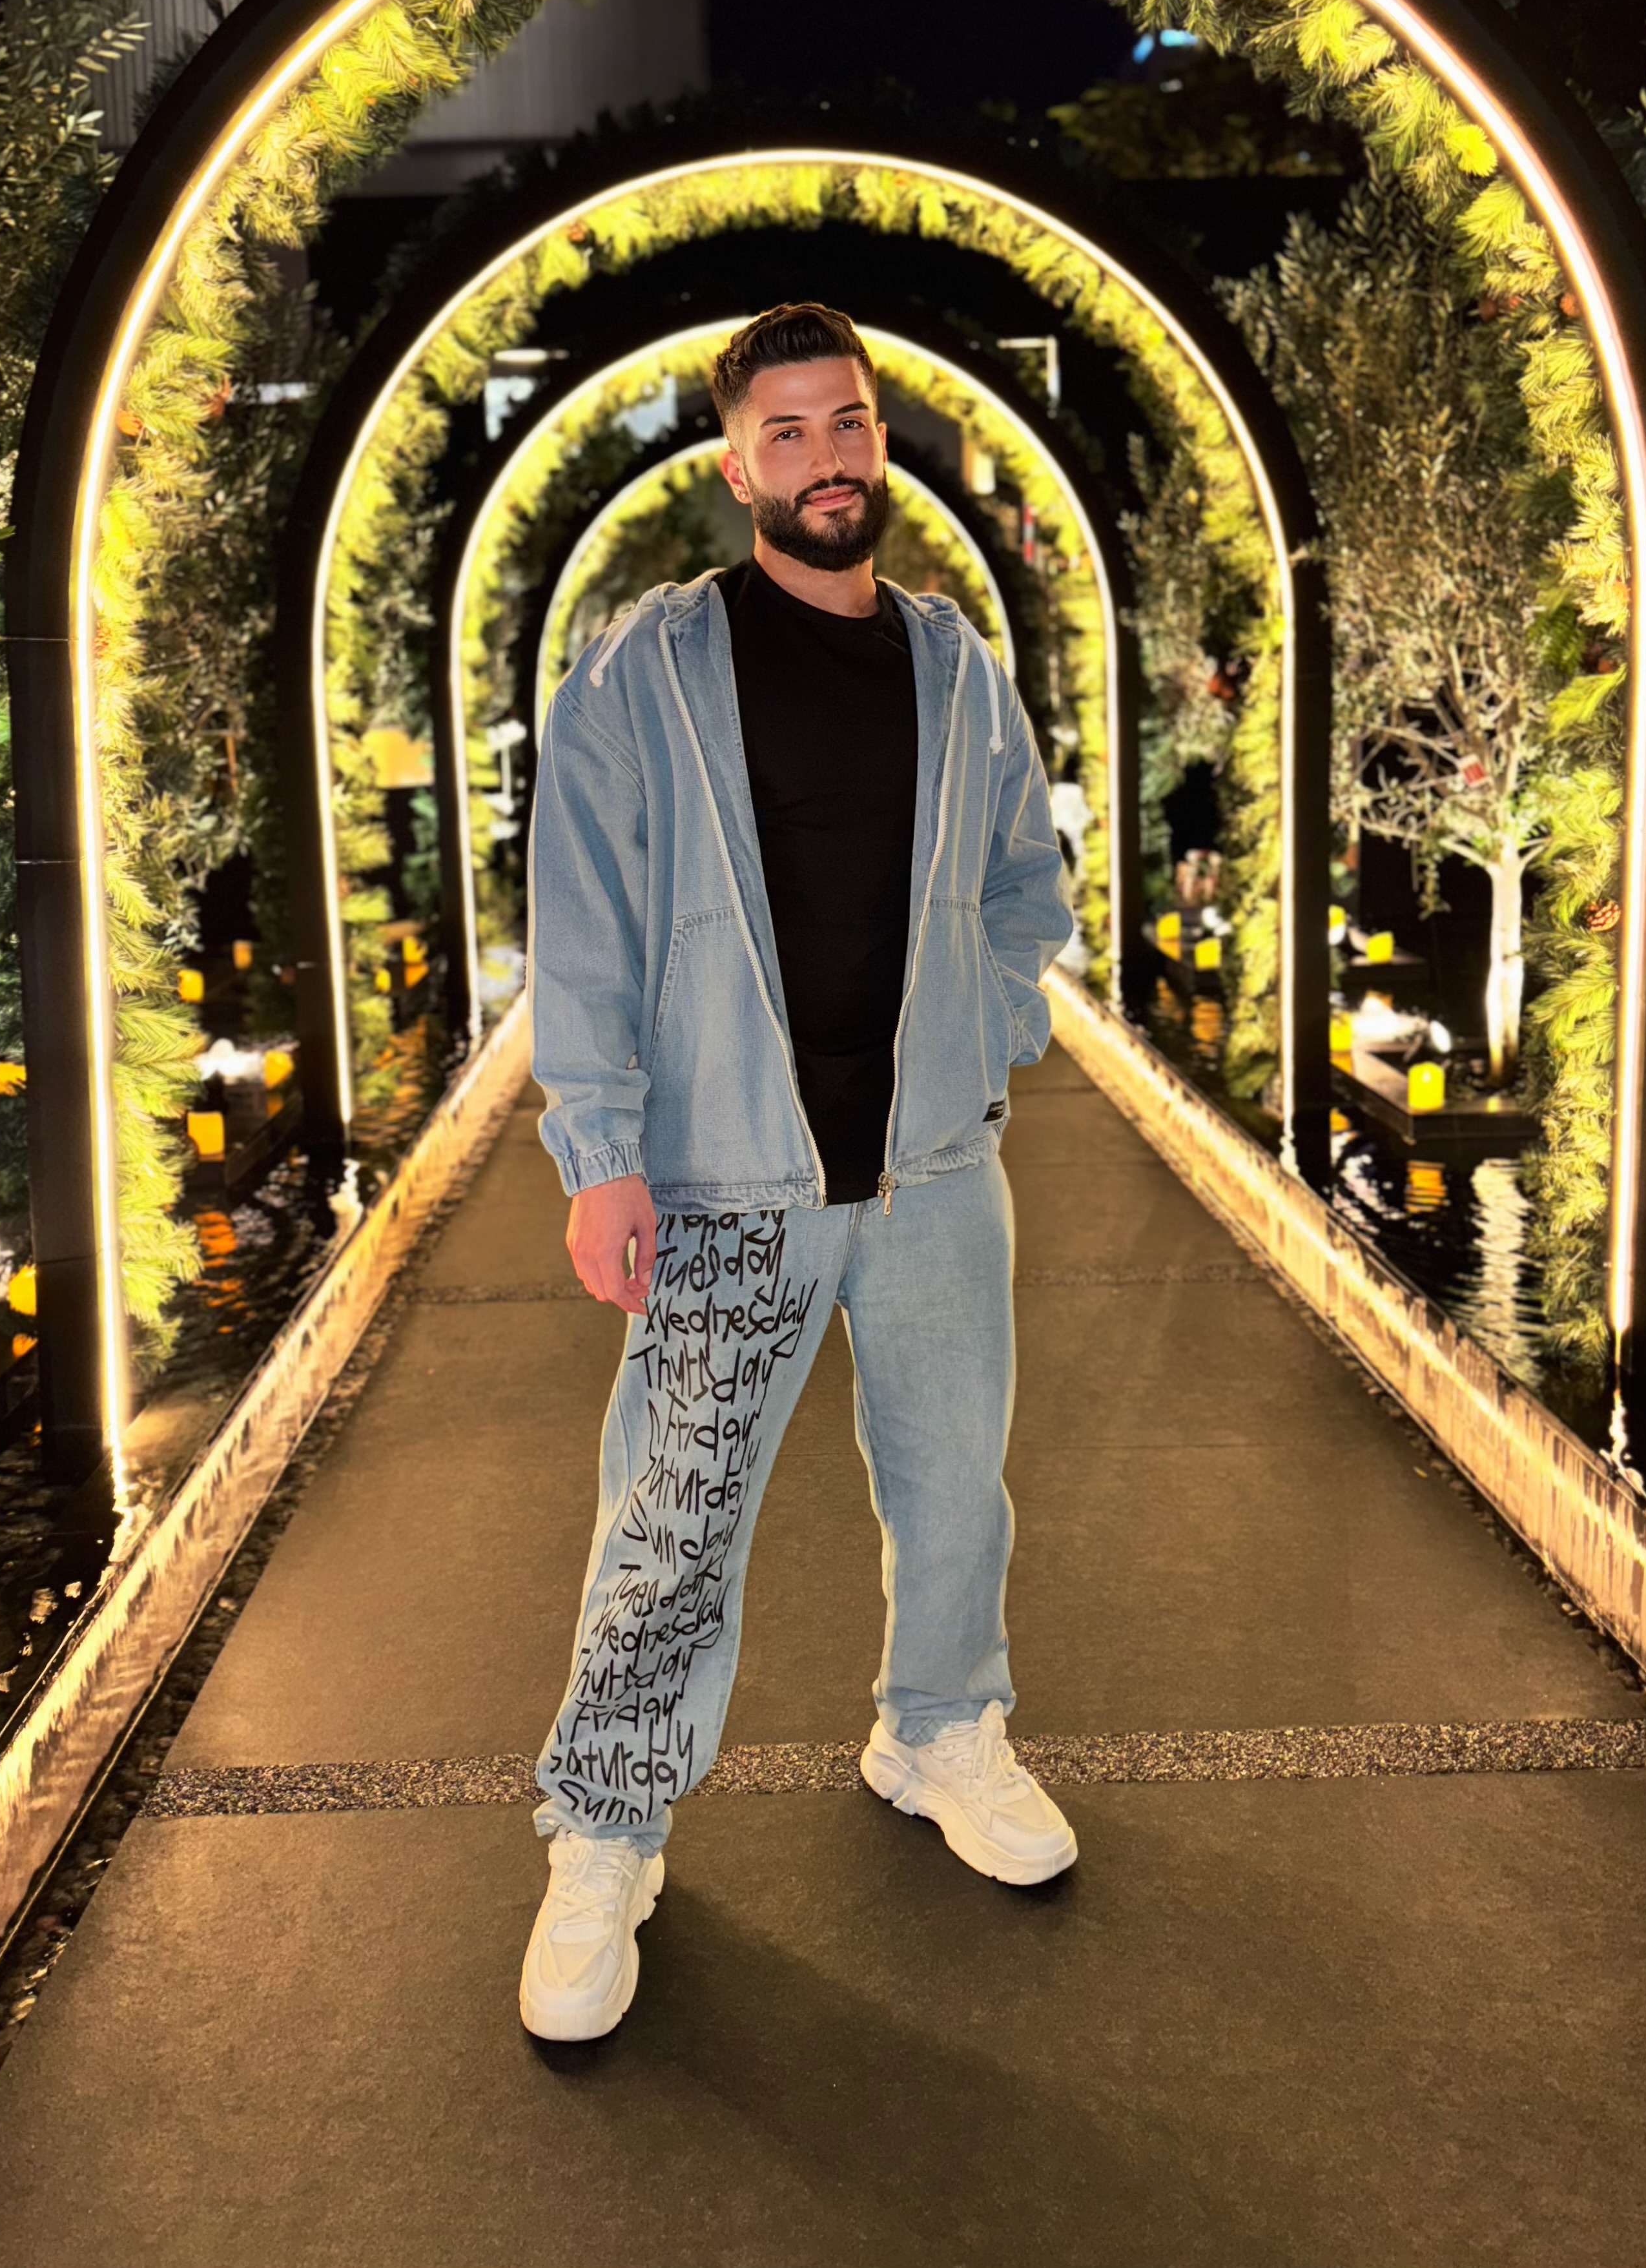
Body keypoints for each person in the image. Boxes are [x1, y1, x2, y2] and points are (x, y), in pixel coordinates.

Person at [519, 302, 1078, 2043]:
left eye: (849, 424)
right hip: (723, 1183)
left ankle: (942, 1729)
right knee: (670, 1522)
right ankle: (608, 1829)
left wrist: (986, 1027)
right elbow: (584, 919)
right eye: (790, 431)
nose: (827, 458)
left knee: (956, 1489)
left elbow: (1026, 885)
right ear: (737, 462)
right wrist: (600, 1151)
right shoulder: (649, 668)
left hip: (933, 1170)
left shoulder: (957, 668)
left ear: (878, 444)